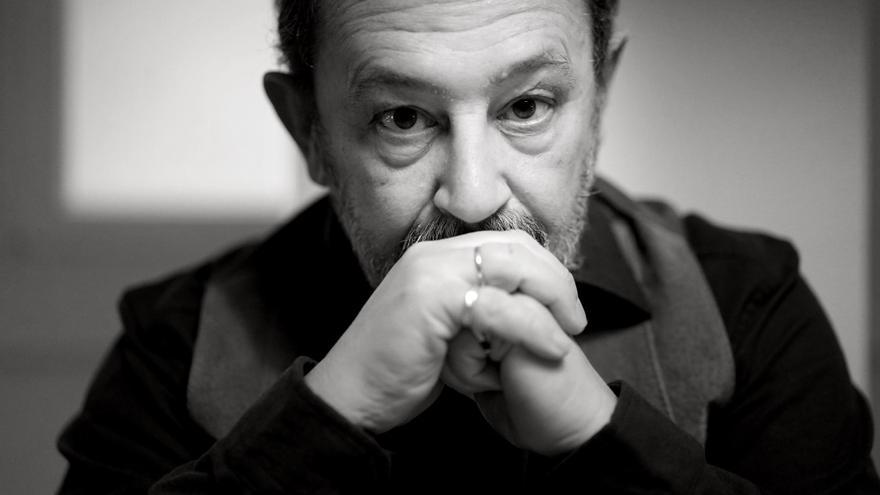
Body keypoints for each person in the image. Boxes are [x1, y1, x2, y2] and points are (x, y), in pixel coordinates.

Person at [57, 0, 879, 493]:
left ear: (600, 99)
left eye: (526, 106)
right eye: (402, 118)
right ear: (308, 129)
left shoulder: (748, 308)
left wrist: (603, 438)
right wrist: (329, 416)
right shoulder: (177, 345)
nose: (475, 194)